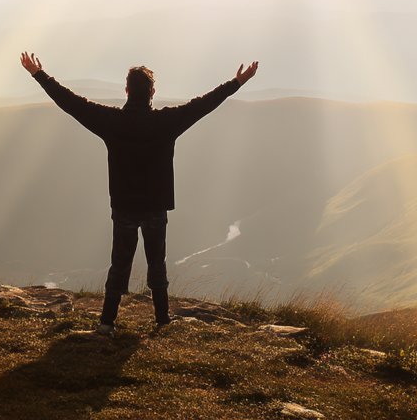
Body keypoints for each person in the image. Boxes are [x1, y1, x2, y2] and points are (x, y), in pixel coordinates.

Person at [20, 52, 258, 336]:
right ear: (152, 93)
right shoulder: (167, 122)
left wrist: (39, 74)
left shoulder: (111, 121)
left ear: (127, 91)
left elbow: (71, 103)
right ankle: (162, 320)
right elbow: (203, 105)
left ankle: (107, 322)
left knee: (119, 263)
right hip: (155, 206)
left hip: (124, 206)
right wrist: (237, 82)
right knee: (157, 263)